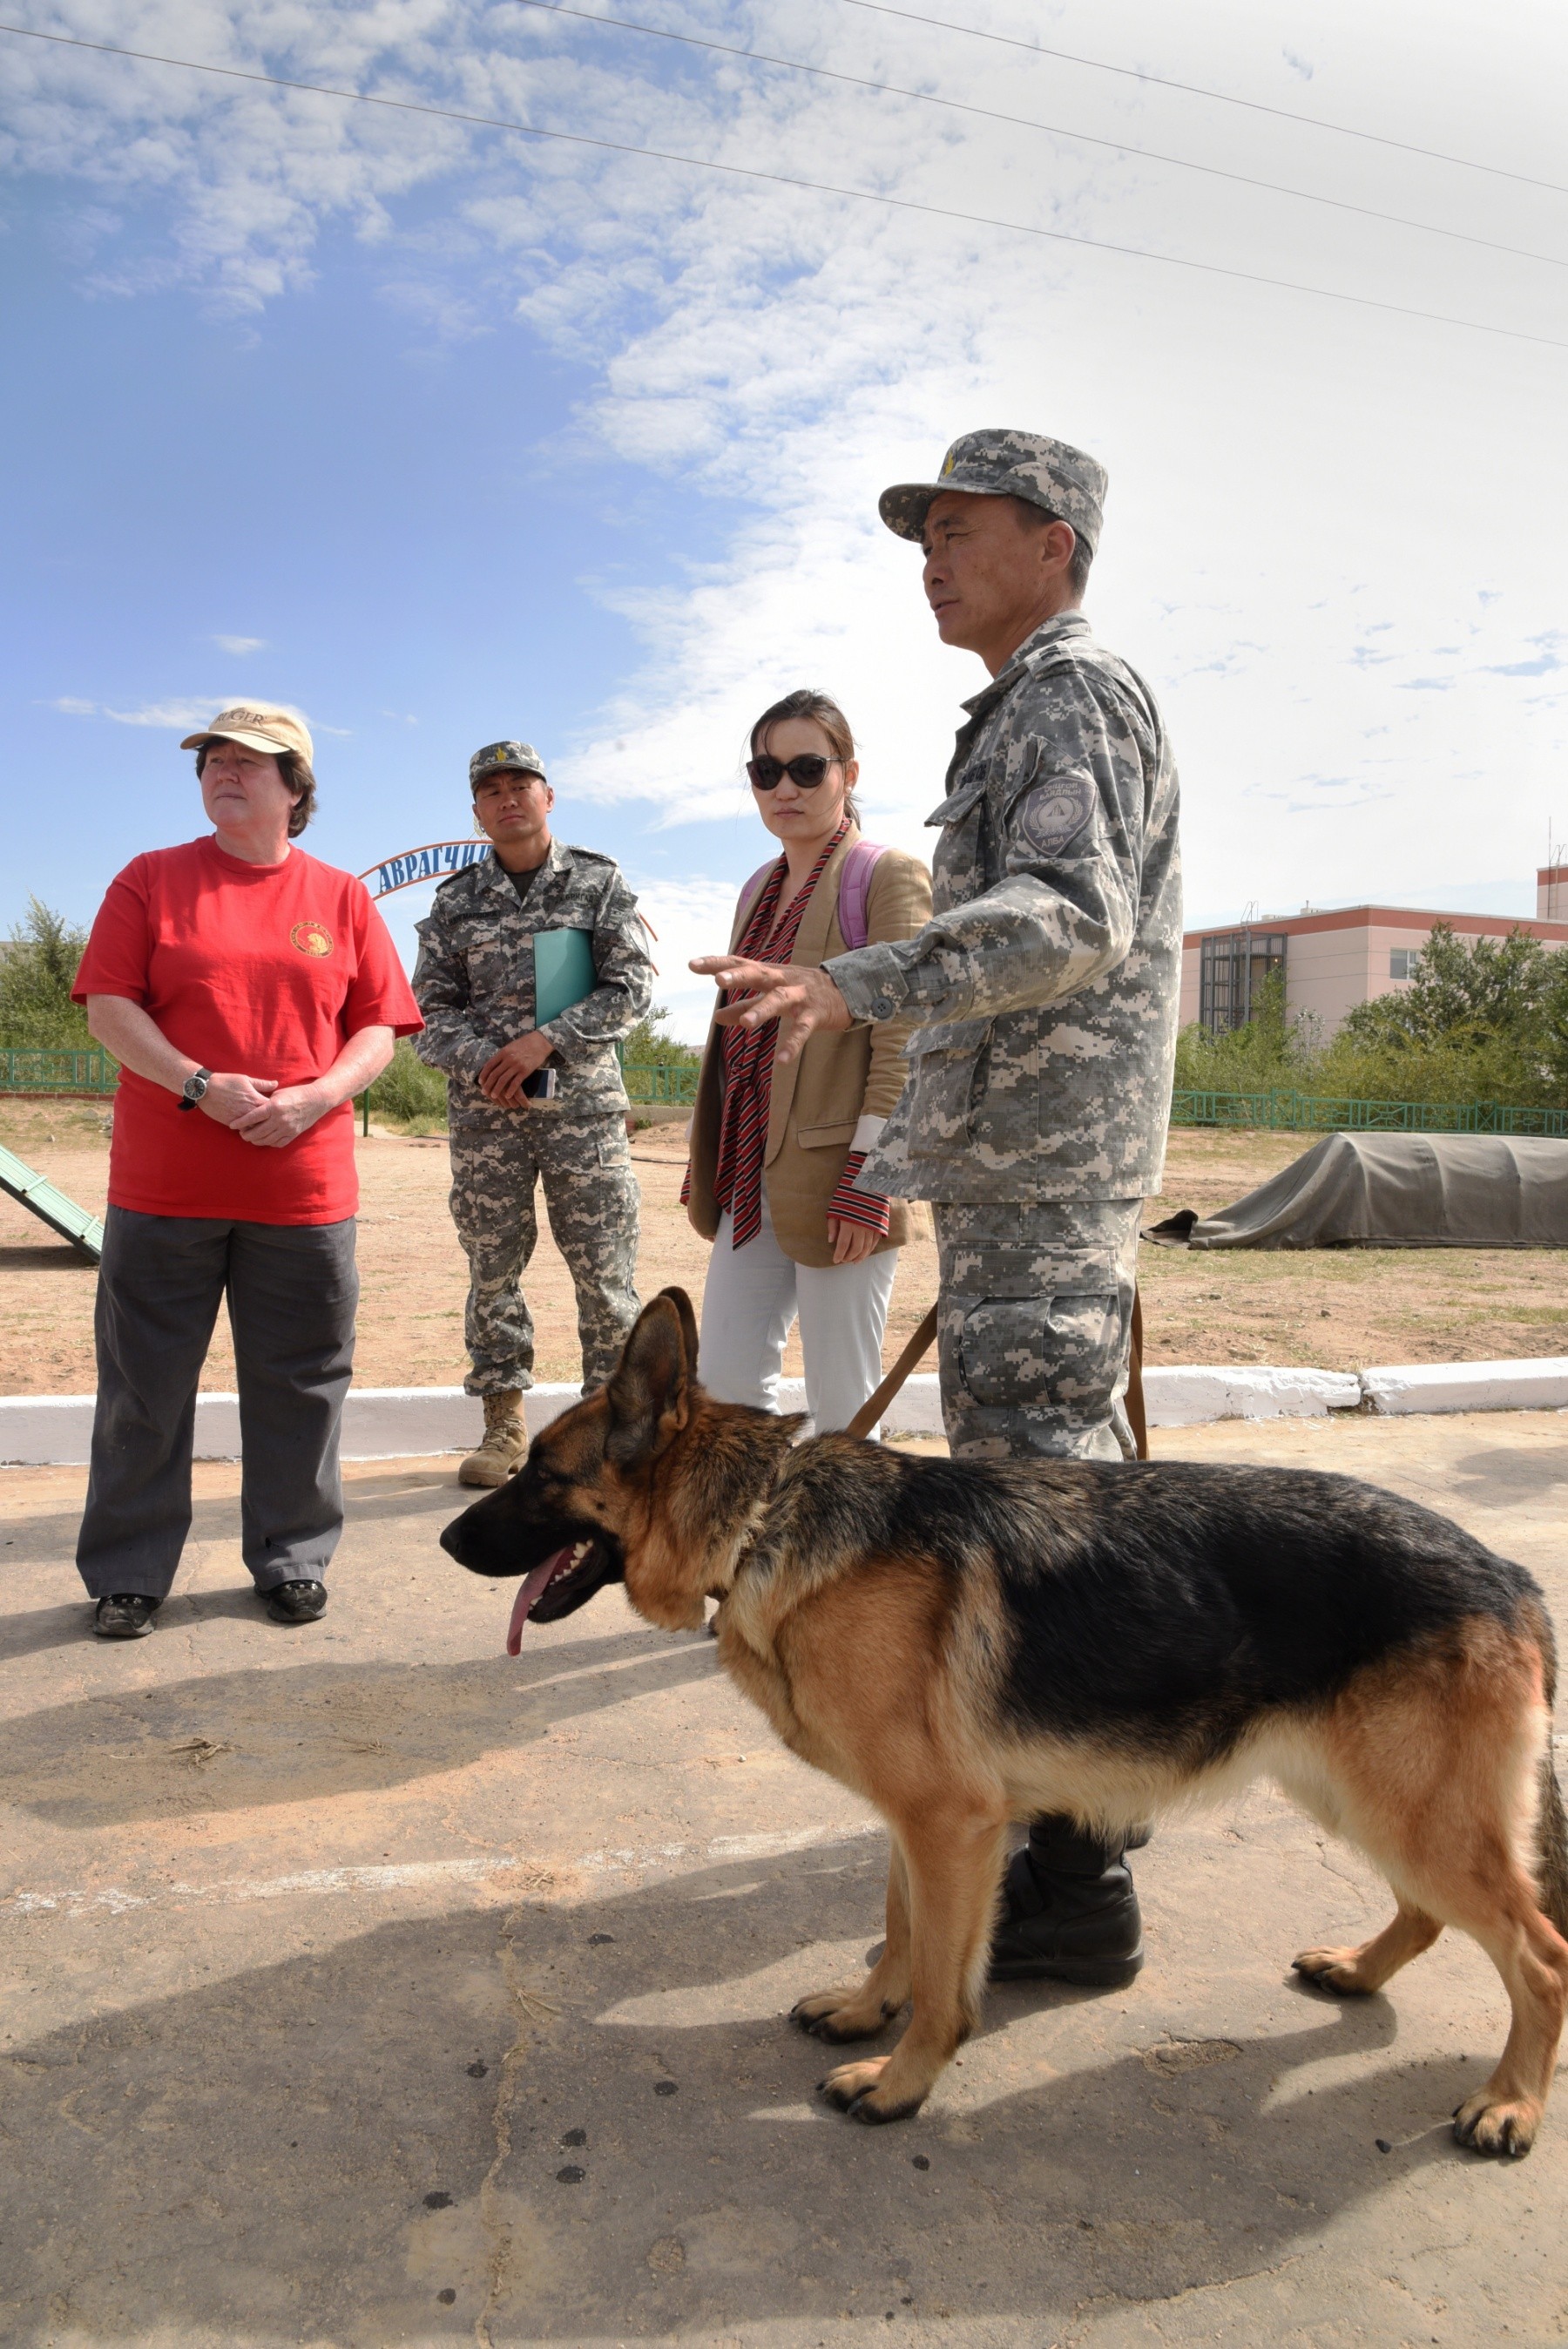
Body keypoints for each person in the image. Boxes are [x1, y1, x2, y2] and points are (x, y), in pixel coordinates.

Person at [692, 430, 1182, 1987]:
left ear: (1054, 540)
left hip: (1052, 1162)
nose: (930, 555)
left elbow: (1069, 914)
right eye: (923, 532)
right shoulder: (1018, 709)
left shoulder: (1074, 694)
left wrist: (855, 981)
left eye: (957, 528)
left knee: (1048, 1517)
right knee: (1033, 1495)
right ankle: (1062, 1832)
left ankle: (1079, 1876)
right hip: (1017, 1158)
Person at [72, 702, 423, 1638]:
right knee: (144, 1384)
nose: (226, 771)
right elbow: (108, 1005)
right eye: (213, 759)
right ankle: (129, 1570)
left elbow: (378, 1026)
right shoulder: (149, 879)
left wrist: (315, 1097)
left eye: (253, 761)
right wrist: (196, 1083)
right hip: (163, 1186)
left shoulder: (342, 897)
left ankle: (291, 1556)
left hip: (302, 1190)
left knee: (303, 1382)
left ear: (297, 787)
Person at [683, 690, 931, 1434]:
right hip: (751, 1179)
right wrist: (713, 1147)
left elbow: (906, 1036)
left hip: (840, 1180)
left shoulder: (885, 876)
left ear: (848, 773)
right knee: (723, 1393)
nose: (784, 788)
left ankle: (861, 1553)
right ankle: (763, 1548)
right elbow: (741, 1038)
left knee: (844, 1405)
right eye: (765, 771)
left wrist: (870, 1178)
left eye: (806, 767)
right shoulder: (758, 888)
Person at [412, 740, 653, 1486]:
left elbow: (632, 987)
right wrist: (496, 1059)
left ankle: (607, 1440)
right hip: (490, 1120)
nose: (508, 798)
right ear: (477, 811)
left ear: (549, 798)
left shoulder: (597, 882)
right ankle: (503, 1426)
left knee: (605, 1274)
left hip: (580, 1112)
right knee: (492, 1271)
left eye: (523, 785)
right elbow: (426, 1009)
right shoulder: (455, 902)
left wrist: (544, 1042)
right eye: (492, 790)